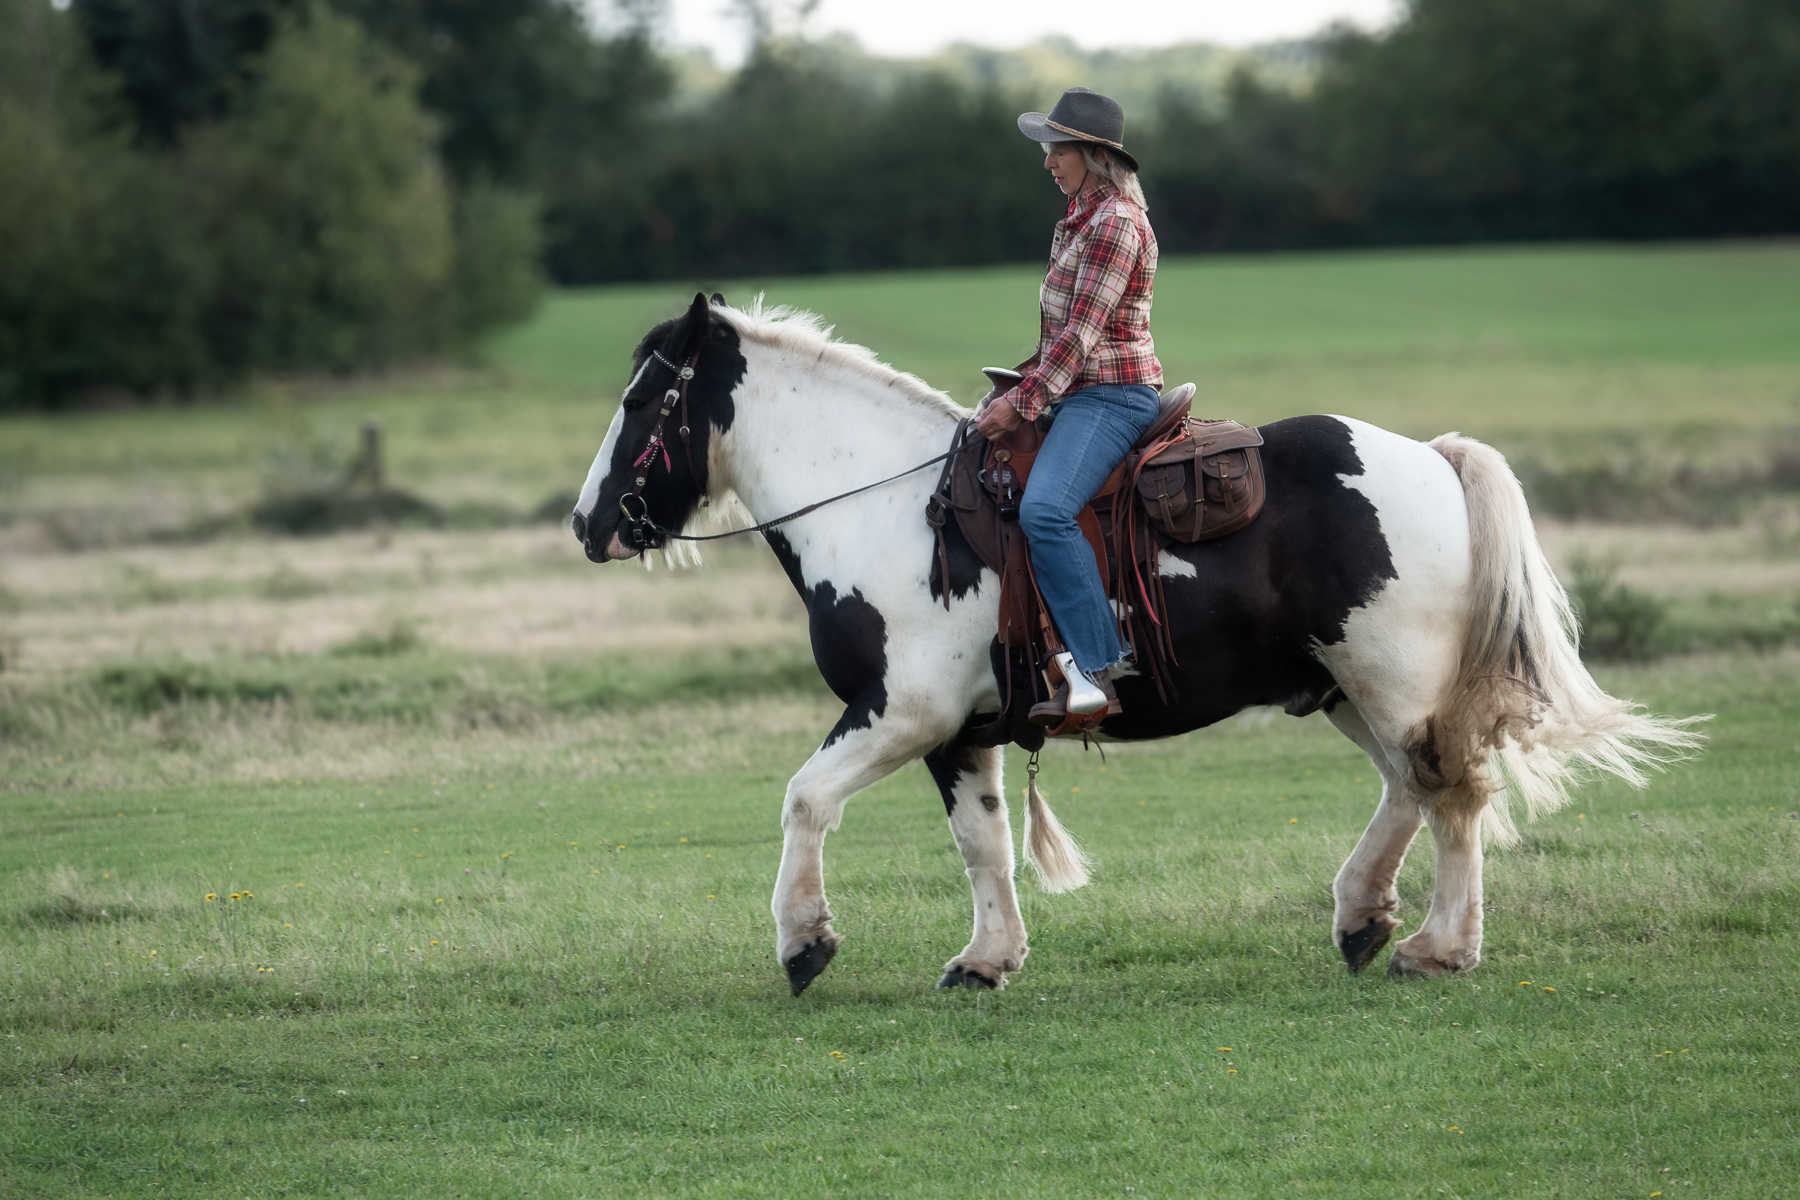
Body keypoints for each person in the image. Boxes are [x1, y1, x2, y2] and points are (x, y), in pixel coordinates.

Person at [975, 87, 1164, 726]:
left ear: (1093, 154)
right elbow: (1062, 340)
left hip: (1112, 396)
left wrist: (1024, 403)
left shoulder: (1113, 224)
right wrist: (1020, 384)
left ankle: (1101, 670)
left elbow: (1082, 336)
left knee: (1047, 510)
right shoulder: (1081, 217)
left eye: (1057, 150)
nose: (1048, 162)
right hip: (1080, 390)